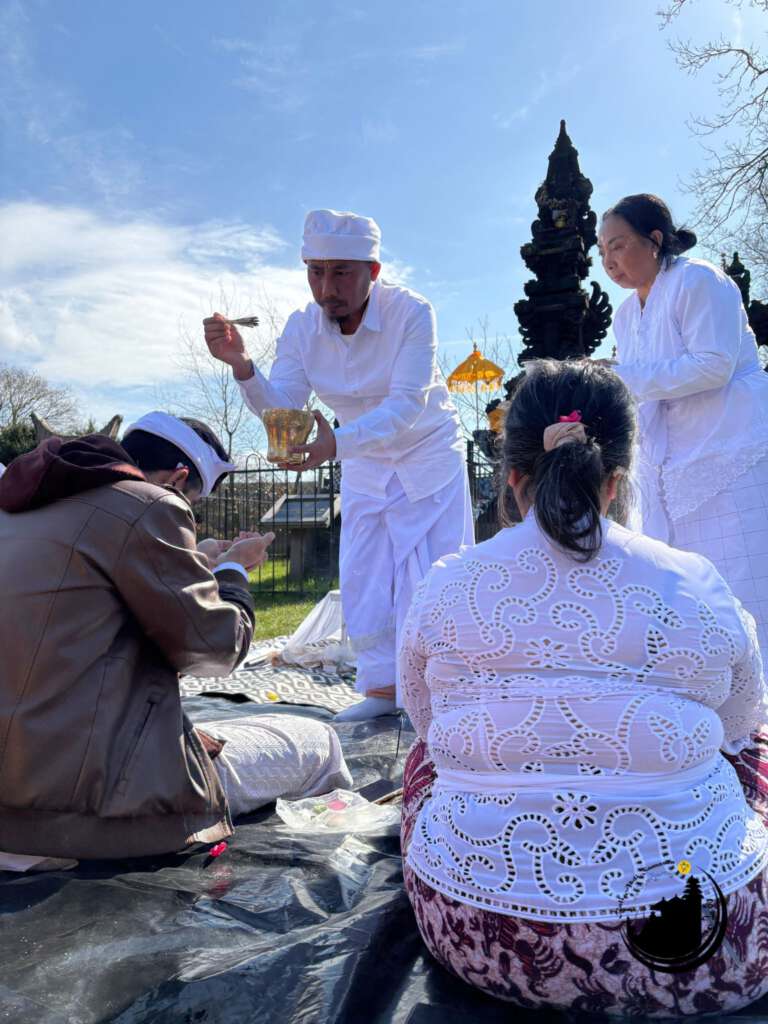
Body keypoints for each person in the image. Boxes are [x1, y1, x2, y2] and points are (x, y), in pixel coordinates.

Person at [399, 359, 768, 1017]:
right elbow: (742, 722)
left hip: (481, 932)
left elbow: (423, 722)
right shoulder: (694, 580)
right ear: (617, 480)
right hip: (708, 947)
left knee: (426, 758)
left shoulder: (447, 582)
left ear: (512, 478)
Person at [0, 411, 351, 869]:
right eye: (194, 503)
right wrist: (234, 571)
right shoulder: (148, 505)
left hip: (16, 787)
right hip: (83, 807)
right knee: (320, 742)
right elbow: (216, 649)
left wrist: (194, 565)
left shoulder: (21, 509)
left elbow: (82, 619)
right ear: (179, 478)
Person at [203, 209, 474, 721]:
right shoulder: (301, 328)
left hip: (426, 453)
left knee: (433, 574)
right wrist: (243, 366)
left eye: (341, 273)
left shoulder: (412, 312)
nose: (327, 289)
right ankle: (383, 691)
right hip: (362, 459)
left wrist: (337, 444)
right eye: (316, 272)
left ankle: (445, 694)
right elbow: (284, 406)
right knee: (365, 574)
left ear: (373, 271)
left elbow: (407, 403)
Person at [598, 193, 768, 653]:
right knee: (680, 588)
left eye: (618, 245)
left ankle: (756, 688)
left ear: (654, 240)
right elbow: (638, 384)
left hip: (729, 448)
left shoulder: (699, 279)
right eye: (602, 251)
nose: (608, 261)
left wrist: (622, 377)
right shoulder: (625, 314)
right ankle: (696, 680)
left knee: (741, 580)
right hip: (668, 464)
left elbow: (714, 364)